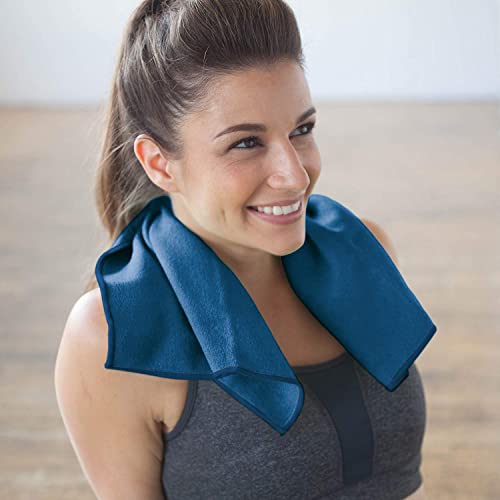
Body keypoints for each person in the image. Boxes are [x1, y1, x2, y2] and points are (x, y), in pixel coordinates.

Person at [54, 0, 428, 498]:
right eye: (246, 143)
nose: (295, 176)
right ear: (159, 163)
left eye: (302, 130)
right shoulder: (110, 337)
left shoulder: (366, 249)